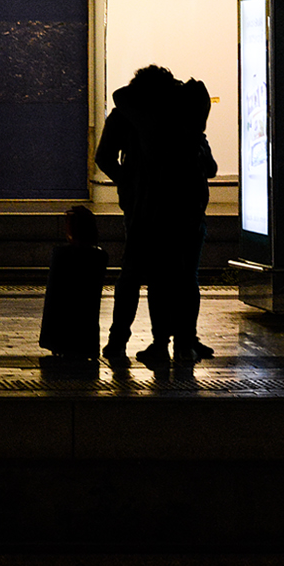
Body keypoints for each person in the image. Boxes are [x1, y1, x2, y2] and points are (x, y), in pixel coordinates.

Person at [94, 64, 218, 367]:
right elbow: (210, 166)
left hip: (147, 210)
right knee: (185, 277)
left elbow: (103, 156)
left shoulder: (128, 114)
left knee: (136, 275)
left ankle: (122, 342)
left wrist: (127, 182)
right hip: (189, 210)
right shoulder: (182, 113)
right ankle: (184, 343)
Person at [38, 204, 109, 363]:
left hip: (61, 335)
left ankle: (62, 346)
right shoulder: (98, 256)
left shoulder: (61, 255)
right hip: (85, 337)